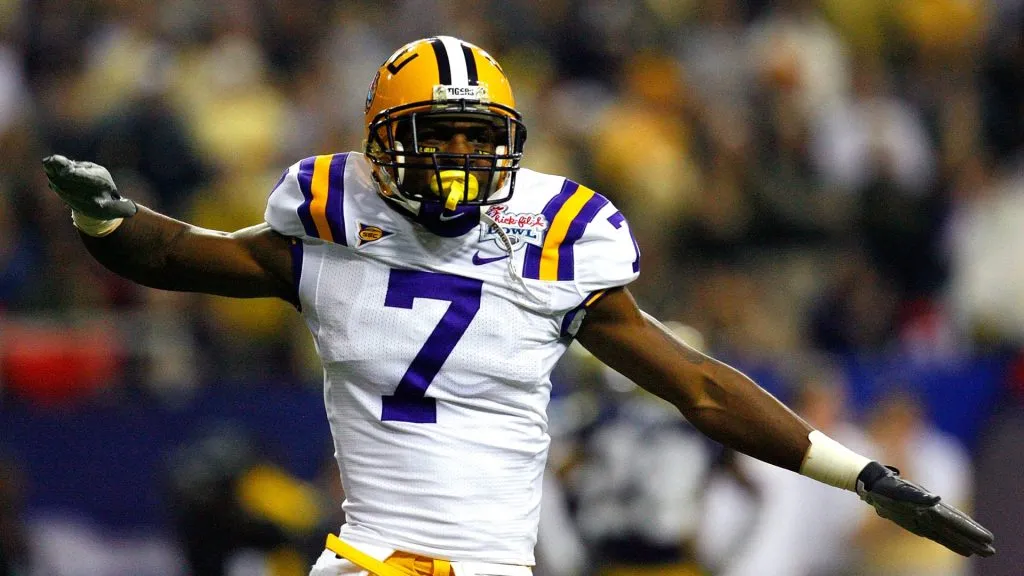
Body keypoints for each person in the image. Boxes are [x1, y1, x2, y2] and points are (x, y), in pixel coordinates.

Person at [41, 36, 994, 576]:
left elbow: (701, 387)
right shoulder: (328, 239)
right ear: (382, 146)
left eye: (474, 139)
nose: (458, 158)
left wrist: (862, 475)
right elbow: (174, 256)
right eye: (438, 138)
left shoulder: (553, 241)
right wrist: (101, 214)